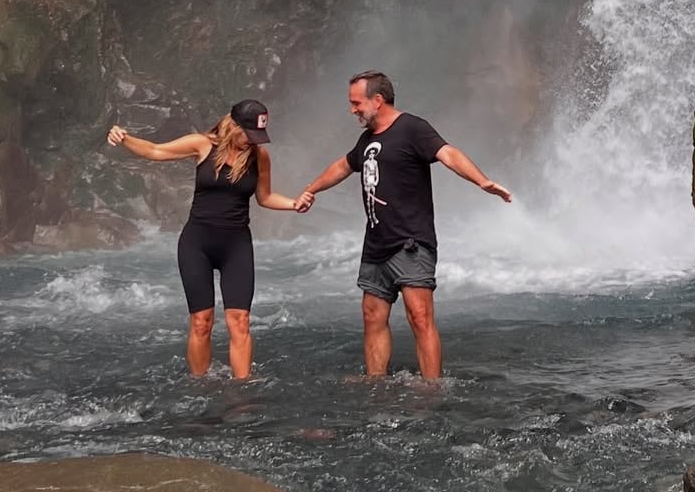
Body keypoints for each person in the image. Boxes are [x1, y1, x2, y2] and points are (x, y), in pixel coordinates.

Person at [296, 71, 511, 379]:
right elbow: (344, 165)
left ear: (378, 100)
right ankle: (375, 382)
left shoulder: (412, 128)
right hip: (376, 243)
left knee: (420, 316)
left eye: (356, 103)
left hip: (411, 241)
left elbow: (447, 153)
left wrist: (483, 181)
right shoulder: (368, 139)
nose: (352, 110)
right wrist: (311, 189)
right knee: (372, 316)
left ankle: (431, 387)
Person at [107, 99, 305, 380]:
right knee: (202, 322)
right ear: (234, 125)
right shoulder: (202, 145)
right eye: (249, 134)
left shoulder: (259, 157)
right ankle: (200, 385)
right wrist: (125, 138)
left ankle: (242, 390)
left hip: (236, 245)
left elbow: (265, 197)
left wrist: (294, 203)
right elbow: (155, 150)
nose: (253, 141)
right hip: (197, 243)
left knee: (240, 322)